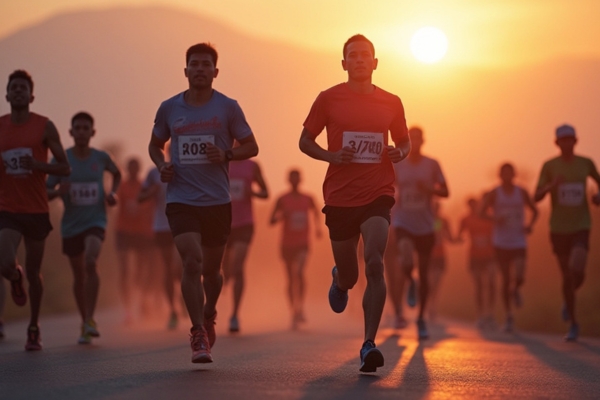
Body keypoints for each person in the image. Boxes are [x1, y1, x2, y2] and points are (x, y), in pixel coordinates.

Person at [299, 34, 410, 373]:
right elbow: (305, 141)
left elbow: (403, 143)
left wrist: (399, 153)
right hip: (340, 197)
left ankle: (368, 344)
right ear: (344, 63)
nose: (360, 60)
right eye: (353, 56)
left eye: (366, 55)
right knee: (350, 274)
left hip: (378, 193)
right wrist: (332, 155)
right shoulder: (328, 99)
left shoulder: (392, 102)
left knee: (374, 262)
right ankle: (340, 280)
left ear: (375, 63)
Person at [148, 43, 259, 363]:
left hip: (216, 202)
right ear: (185, 71)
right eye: (193, 64)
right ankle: (198, 331)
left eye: (205, 64)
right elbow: (155, 146)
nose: (199, 69)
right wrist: (161, 166)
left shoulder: (228, 107)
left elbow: (251, 146)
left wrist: (226, 154)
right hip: (181, 200)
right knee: (191, 262)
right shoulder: (169, 108)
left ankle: (209, 313)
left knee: (212, 271)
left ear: (215, 71)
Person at [0, 70, 70, 351]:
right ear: (6, 95)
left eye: (23, 88)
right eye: (13, 87)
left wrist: (38, 166)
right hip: (7, 207)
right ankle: (15, 278)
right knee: (5, 262)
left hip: (37, 209)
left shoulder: (44, 126)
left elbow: (64, 168)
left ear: (31, 96)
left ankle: (33, 326)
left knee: (35, 270)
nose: (18, 92)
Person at [47, 112, 121, 344]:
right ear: (70, 133)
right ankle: (84, 321)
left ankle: (90, 318)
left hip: (95, 221)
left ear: (92, 132)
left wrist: (112, 193)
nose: (81, 132)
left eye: (85, 128)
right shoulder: (61, 160)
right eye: (77, 128)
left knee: (91, 261)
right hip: (70, 226)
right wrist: (59, 192)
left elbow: (117, 174)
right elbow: (46, 191)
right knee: (79, 275)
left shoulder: (101, 157)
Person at [534, 124, 600, 341]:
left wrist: (597, 197)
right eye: (563, 140)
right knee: (566, 275)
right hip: (558, 228)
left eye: (570, 139)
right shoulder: (550, 166)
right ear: (557, 143)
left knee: (577, 268)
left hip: (581, 224)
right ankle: (573, 322)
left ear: (576, 141)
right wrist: (551, 185)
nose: (567, 143)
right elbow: (536, 196)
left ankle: (568, 296)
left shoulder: (586, 163)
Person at [390, 126, 449, 340]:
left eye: (418, 139)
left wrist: (430, 190)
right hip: (402, 221)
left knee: (425, 274)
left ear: (423, 141)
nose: (414, 143)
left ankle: (421, 319)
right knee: (406, 258)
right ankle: (410, 281)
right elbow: (387, 185)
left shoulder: (432, 165)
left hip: (425, 225)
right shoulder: (398, 164)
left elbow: (445, 191)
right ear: (406, 142)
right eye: (410, 139)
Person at [480, 163, 538, 333]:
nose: (507, 176)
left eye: (510, 173)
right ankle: (509, 316)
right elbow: (481, 212)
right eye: (504, 173)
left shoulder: (522, 192)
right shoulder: (494, 193)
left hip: (519, 241)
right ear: (500, 175)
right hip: (501, 242)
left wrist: (530, 225)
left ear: (514, 174)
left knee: (519, 275)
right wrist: (495, 219)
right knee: (505, 279)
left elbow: (535, 211)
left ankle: (517, 288)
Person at [269, 169, 321, 329]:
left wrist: (319, 228)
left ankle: (301, 307)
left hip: (303, 243)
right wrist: (281, 216)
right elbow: (271, 220)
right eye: (292, 179)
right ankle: (294, 311)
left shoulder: (308, 198)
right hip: (286, 244)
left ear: (300, 180)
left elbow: (316, 212)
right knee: (290, 278)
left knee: (299, 272)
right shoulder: (282, 199)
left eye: (297, 178)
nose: (295, 181)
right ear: (288, 180)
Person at [222, 157, 268, 333]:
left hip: (245, 224)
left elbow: (265, 192)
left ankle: (234, 315)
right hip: (223, 222)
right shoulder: (222, 161)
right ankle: (225, 277)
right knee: (223, 267)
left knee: (238, 266)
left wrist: (253, 193)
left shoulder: (253, 166)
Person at [138, 154, 182, 330]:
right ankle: (173, 309)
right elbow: (140, 198)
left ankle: (187, 295)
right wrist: (152, 191)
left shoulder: (190, 168)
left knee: (181, 265)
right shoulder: (154, 172)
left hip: (183, 224)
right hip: (162, 227)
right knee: (169, 269)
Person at [115, 157, 155, 324]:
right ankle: (127, 309)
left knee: (141, 271)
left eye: (135, 168)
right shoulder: (121, 186)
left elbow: (151, 205)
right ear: (126, 169)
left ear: (138, 169)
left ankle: (143, 298)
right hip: (123, 230)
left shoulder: (144, 185)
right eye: (129, 167)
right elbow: (115, 203)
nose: (132, 171)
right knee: (125, 270)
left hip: (141, 232)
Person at [457, 197, 497, 329]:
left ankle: (490, 314)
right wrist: (453, 238)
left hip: (490, 255)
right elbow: (459, 234)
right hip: (474, 256)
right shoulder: (466, 219)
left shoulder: (490, 217)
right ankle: (480, 315)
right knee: (479, 285)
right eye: (471, 206)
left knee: (491, 282)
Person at [427, 201, 454, 322]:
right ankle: (429, 306)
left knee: (436, 283)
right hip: (428, 255)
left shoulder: (441, 221)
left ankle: (433, 306)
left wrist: (456, 239)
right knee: (430, 282)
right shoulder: (427, 220)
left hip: (440, 255)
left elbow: (448, 236)